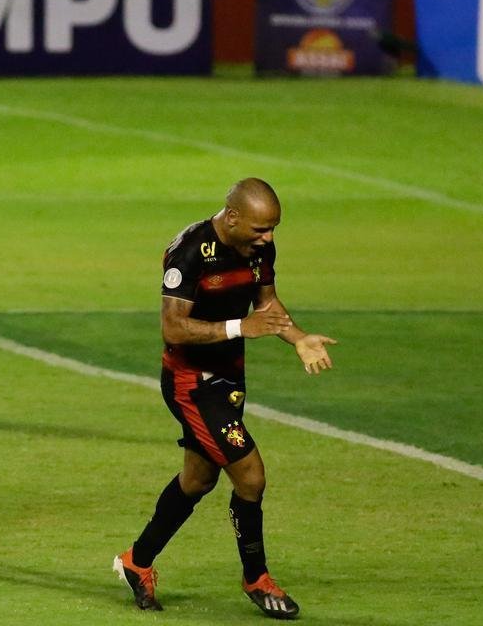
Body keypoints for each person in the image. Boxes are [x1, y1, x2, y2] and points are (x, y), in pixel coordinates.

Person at [114, 178, 336, 620]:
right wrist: (240, 327)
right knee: (250, 477)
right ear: (232, 217)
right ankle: (257, 578)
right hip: (191, 382)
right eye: (259, 229)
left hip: (230, 378)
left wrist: (297, 338)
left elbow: (267, 306)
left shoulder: (258, 248)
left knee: (197, 480)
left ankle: (136, 562)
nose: (268, 238)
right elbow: (173, 328)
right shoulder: (190, 252)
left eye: (273, 229)